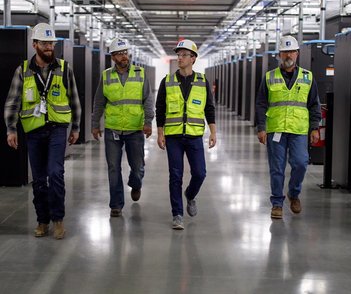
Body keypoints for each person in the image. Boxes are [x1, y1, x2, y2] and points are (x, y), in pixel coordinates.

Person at [4, 23, 81, 239]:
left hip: (57, 128)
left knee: (55, 173)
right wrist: (11, 129)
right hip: (34, 130)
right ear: (34, 44)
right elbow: (12, 102)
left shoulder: (64, 69)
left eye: (51, 44)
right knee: (38, 179)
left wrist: (76, 127)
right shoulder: (23, 70)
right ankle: (42, 220)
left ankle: (58, 219)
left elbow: (74, 99)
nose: (49, 47)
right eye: (45, 43)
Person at [255, 35, 321, 219]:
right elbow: (261, 103)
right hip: (275, 130)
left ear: (297, 54)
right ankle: (277, 202)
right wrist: (261, 127)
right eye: (285, 52)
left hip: (299, 130)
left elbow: (314, 104)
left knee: (300, 163)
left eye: (291, 51)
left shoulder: (307, 77)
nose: (288, 55)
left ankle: (294, 193)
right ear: (279, 55)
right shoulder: (269, 77)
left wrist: (314, 127)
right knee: (277, 168)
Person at [156, 39, 216, 230]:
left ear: (193, 59)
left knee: (200, 173)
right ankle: (177, 214)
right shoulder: (167, 81)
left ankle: (190, 195)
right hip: (173, 136)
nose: (180, 58)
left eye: (184, 55)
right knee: (175, 175)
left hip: (194, 135)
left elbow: (209, 109)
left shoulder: (202, 82)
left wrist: (213, 132)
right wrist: (160, 133)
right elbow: (160, 109)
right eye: (178, 55)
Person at [92, 38, 154, 217]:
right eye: (119, 53)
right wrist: (95, 125)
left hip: (135, 129)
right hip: (113, 129)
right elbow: (99, 102)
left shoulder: (140, 73)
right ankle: (116, 205)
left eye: (125, 52)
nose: (124, 56)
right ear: (113, 57)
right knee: (113, 168)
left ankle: (136, 184)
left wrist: (148, 122)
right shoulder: (106, 76)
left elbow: (148, 99)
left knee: (137, 167)